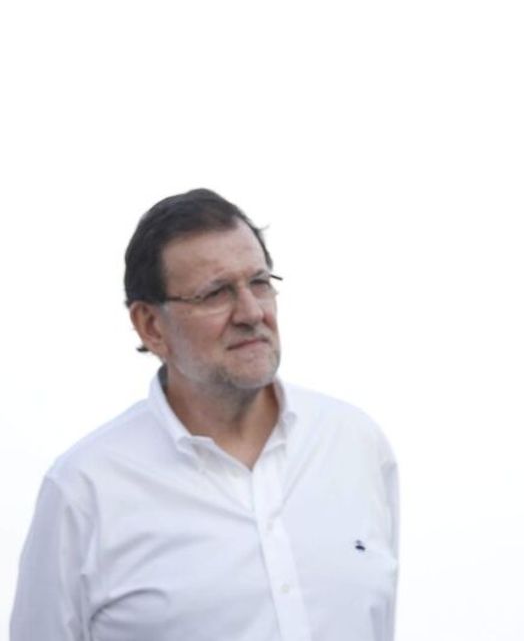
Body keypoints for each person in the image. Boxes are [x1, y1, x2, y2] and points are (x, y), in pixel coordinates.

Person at [11, 189, 399, 640]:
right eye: (216, 293)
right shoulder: (86, 489)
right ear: (151, 326)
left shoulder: (353, 443)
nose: (251, 312)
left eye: (259, 282)